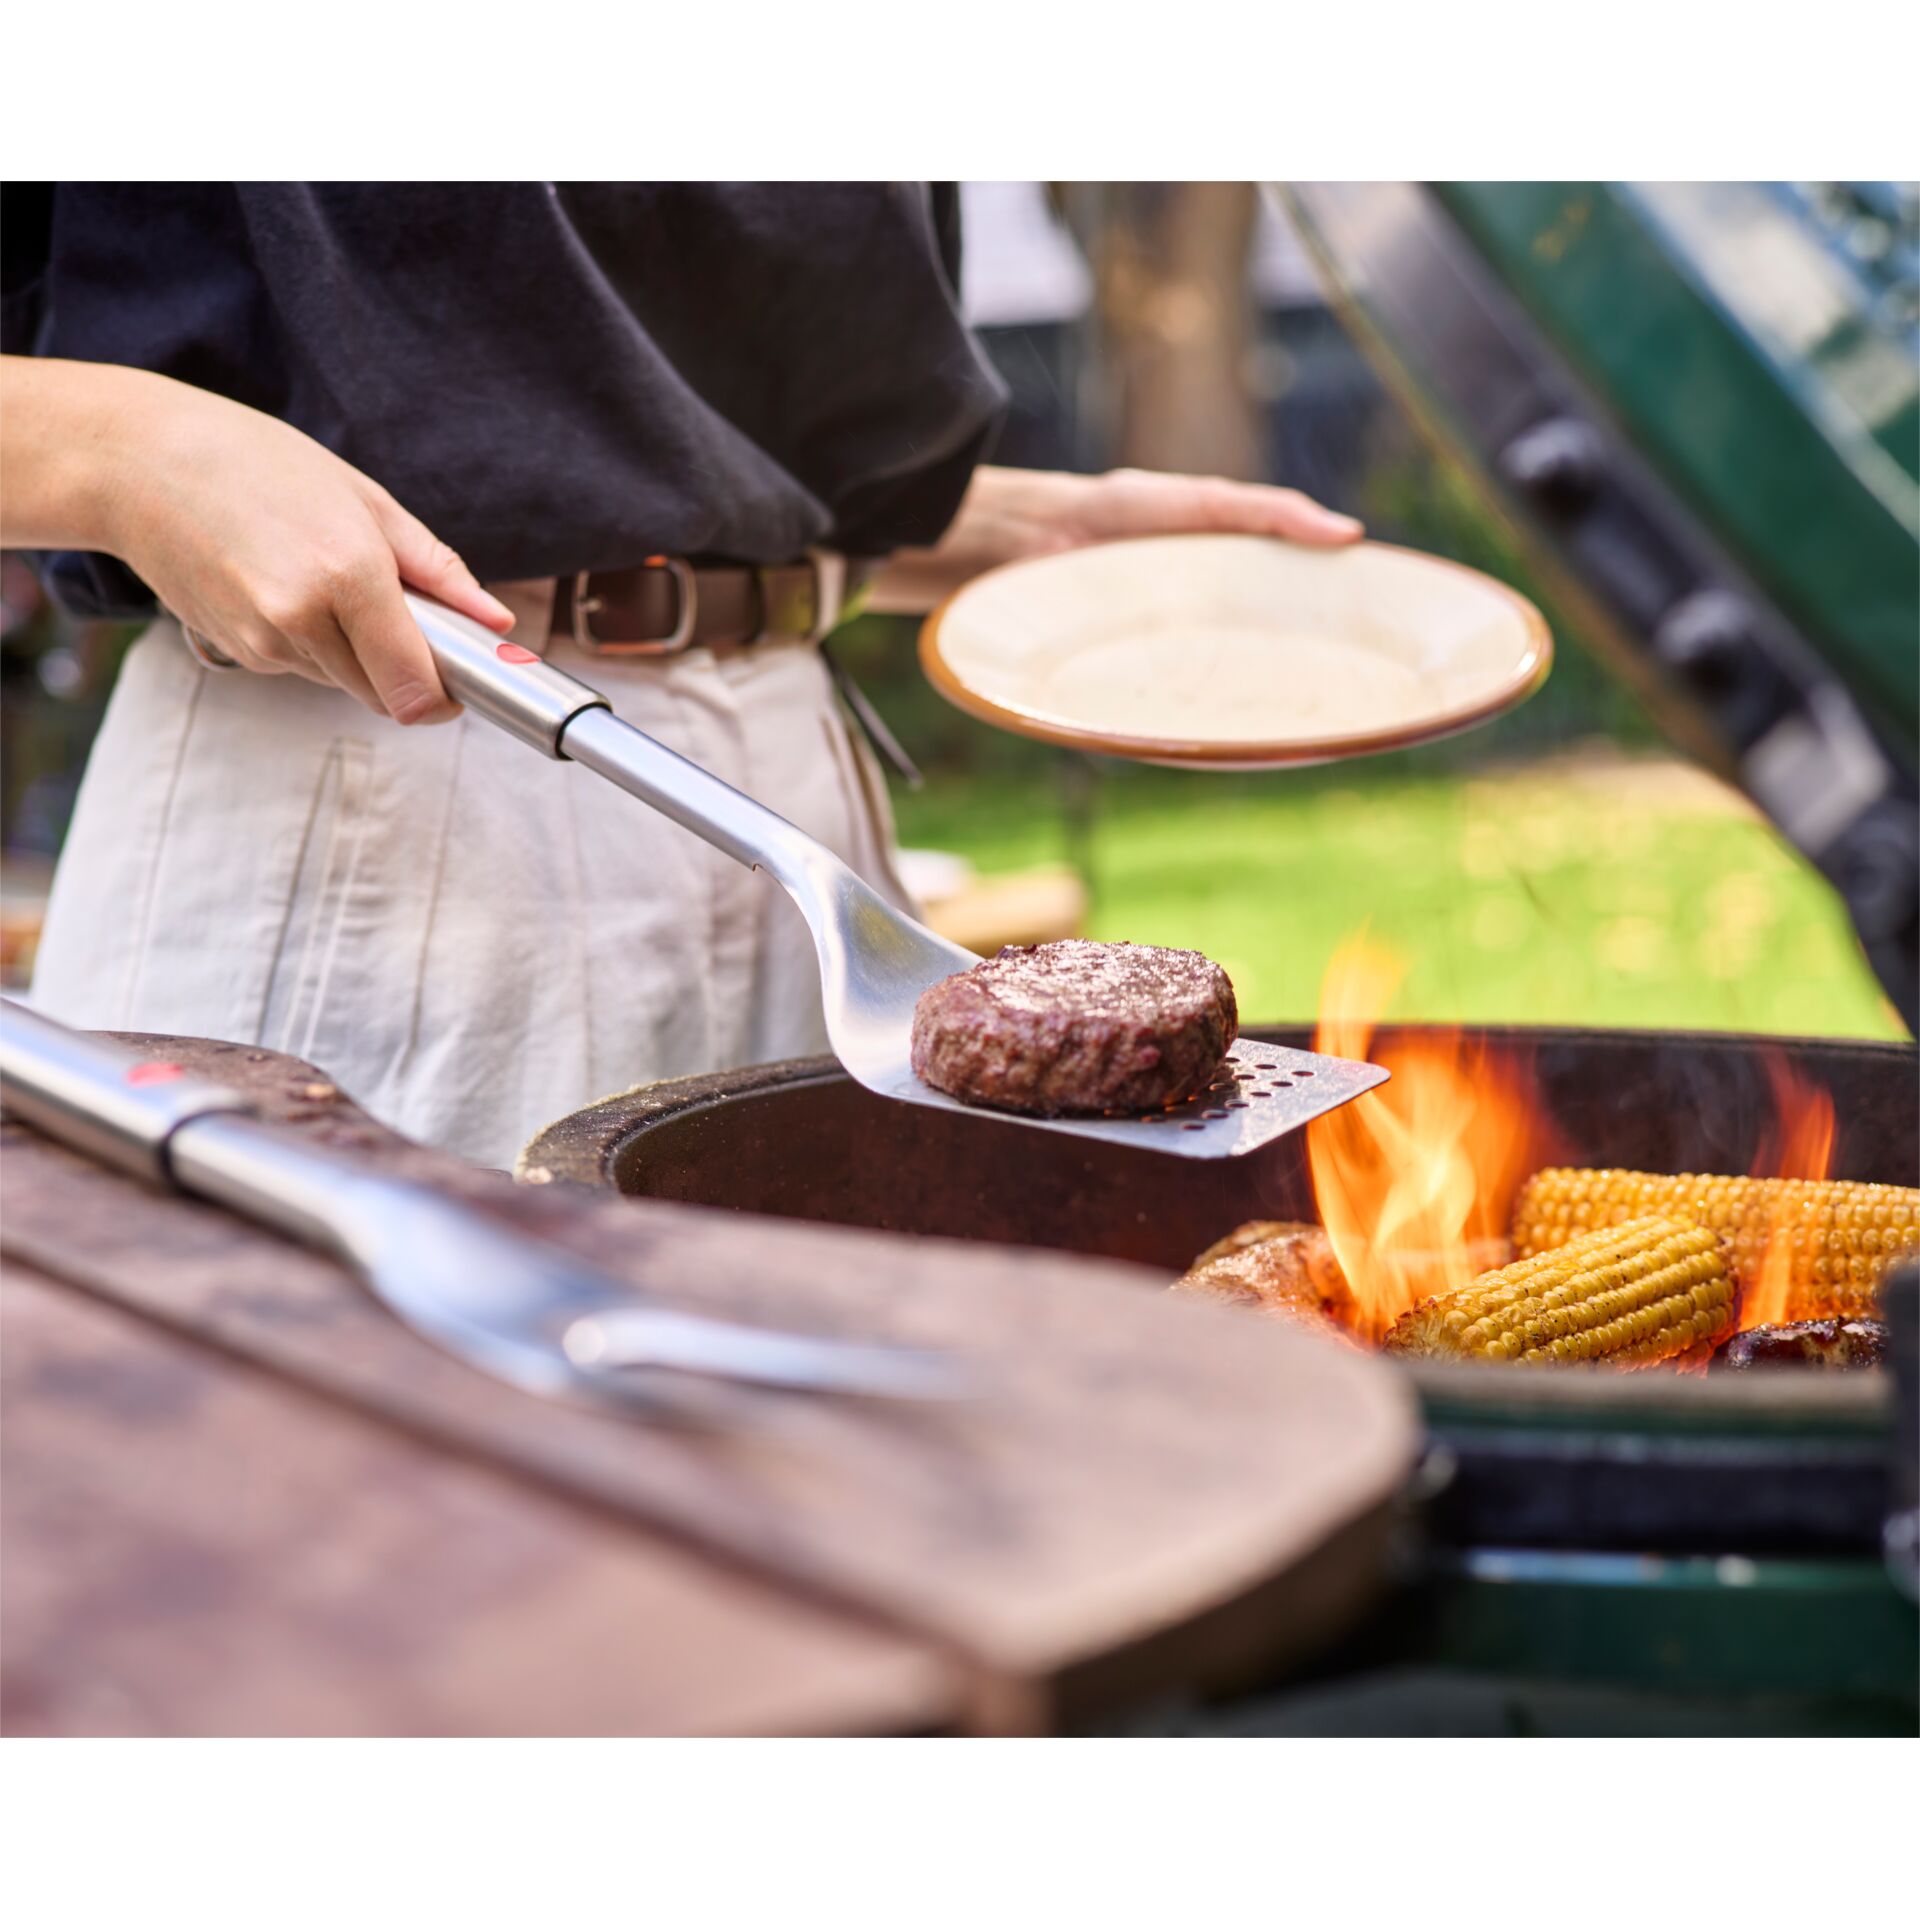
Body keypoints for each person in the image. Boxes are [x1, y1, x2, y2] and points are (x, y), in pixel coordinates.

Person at [1, 183, 1361, 1166]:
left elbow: (606, 402)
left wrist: (950, 527)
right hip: (384, 788)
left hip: (796, 791)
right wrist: (125, 452)